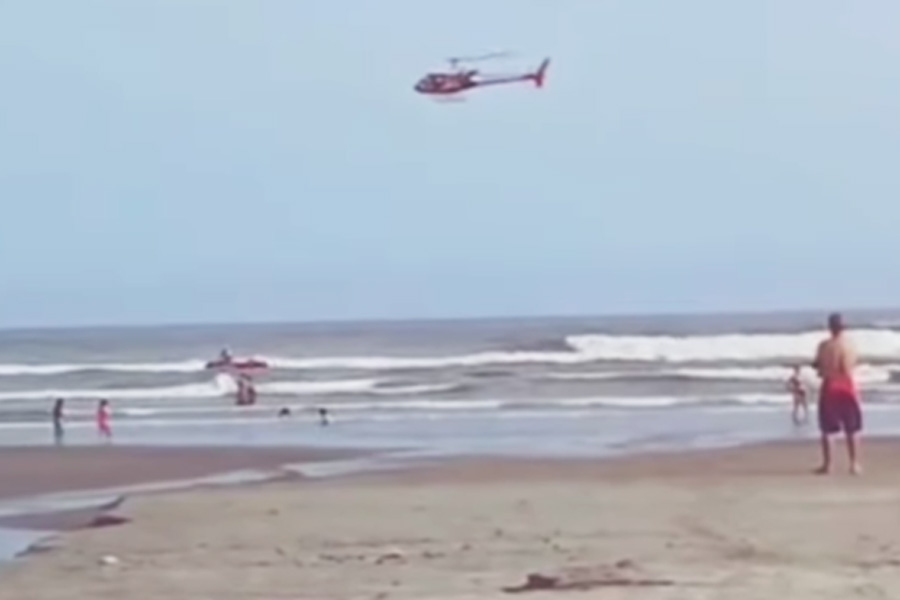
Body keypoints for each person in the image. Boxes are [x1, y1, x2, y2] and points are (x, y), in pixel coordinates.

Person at [812, 312, 862, 475]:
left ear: (830, 327)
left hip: (829, 385)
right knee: (852, 428)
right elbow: (850, 367)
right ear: (843, 327)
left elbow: (818, 367)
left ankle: (828, 465)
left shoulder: (824, 346)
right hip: (847, 386)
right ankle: (854, 464)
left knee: (828, 429)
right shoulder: (850, 345)